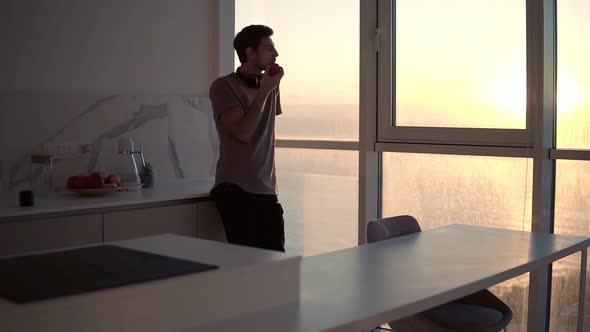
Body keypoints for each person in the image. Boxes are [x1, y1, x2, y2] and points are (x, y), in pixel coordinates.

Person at [208, 25, 285, 252]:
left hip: (266, 190)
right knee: (249, 269)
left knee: (276, 267)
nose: (276, 54)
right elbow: (243, 132)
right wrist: (264, 91)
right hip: (236, 191)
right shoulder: (223, 86)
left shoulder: (269, 85)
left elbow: (264, 131)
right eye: (269, 48)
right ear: (250, 53)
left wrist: (269, 88)